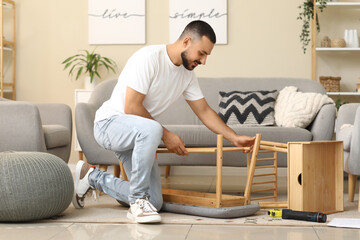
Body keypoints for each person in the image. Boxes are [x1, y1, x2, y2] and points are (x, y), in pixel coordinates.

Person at [72, 20, 255, 224]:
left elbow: (204, 111)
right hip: (110, 124)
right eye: (202, 53)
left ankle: (91, 177)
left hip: (138, 133)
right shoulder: (149, 58)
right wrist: (166, 135)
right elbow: (131, 107)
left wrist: (234, 138)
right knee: (153, 129)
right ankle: (137, 201)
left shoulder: (187, 74)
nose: (203, 61)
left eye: (206, 56)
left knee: (156, 201)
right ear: (186, 41)